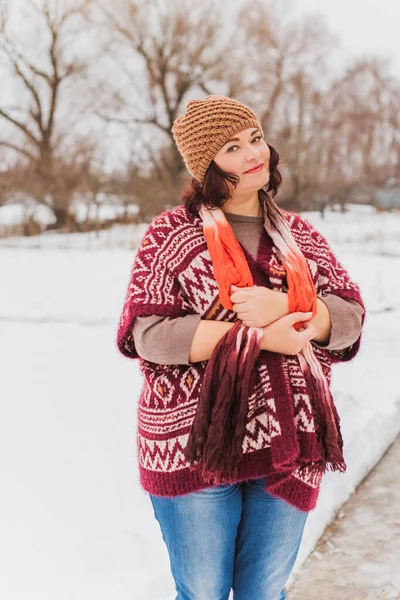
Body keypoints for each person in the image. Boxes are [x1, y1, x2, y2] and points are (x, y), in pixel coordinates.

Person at [116, 95, 365, 600]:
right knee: (204, 591)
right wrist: (255, 338)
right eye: (232, 147)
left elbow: (349, 319)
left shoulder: (301, 237)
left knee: (263, 592)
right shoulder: (171, 236)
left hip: (289, 445)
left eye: (255, 139)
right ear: (206, 165)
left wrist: (284, 306)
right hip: (194, 446)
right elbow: (151, 334)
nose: (255, 154)